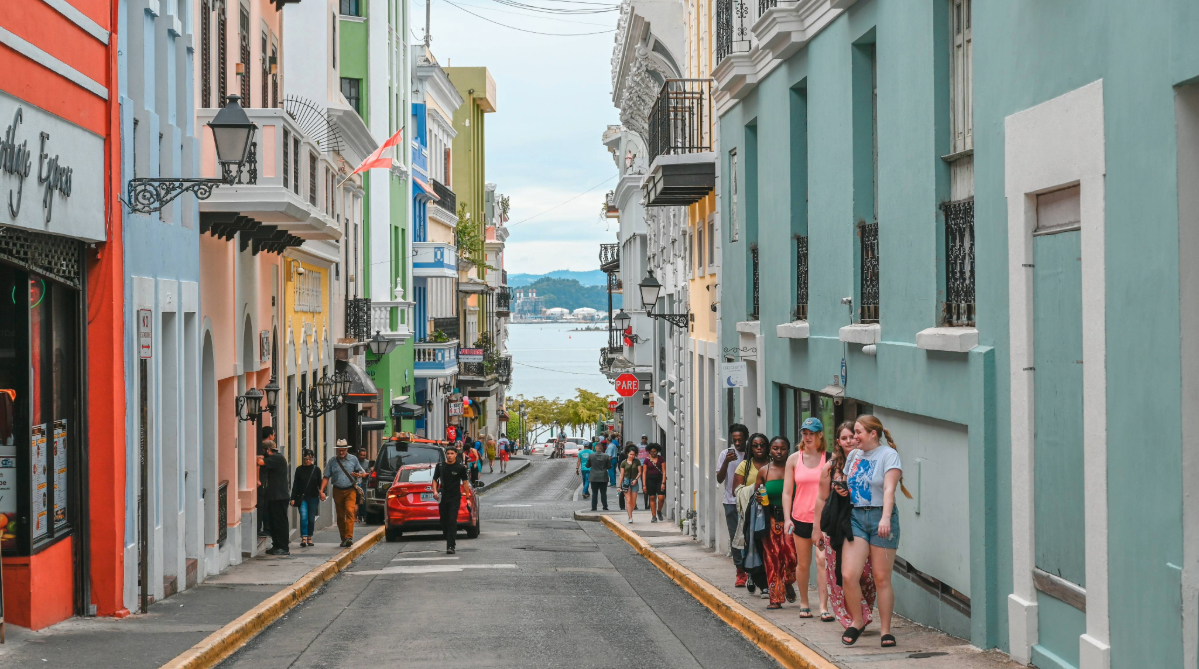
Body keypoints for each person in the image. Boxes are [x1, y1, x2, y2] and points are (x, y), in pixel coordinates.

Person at [840, 415, 910, 648]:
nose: (854, 437)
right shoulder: (853, 456)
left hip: (881, 516)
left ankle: (885, 631)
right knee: (849, 575)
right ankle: (858, 620)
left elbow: (889, 489)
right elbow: (849, 483)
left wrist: (886, 518)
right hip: (856, 518)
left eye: (858, 432)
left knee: (881, 578)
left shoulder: (888, 455)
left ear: (872, 434)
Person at [823, 422, 876, 632]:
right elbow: (821, 499)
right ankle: (852, 620)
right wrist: (818, 530)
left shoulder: (868, 460)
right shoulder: (831, 467)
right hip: (837, 527)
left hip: (861, 525)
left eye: (852, 437)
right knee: (840, 576)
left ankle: (863, 612)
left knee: (866, 575)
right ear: (838, 442)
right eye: (844, 438)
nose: (849, 441)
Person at [782, 418, 832, 621]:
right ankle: (804, 603)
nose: (808, 437)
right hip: (800, 518)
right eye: (805, 433)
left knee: (822, 562)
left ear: (820, 434)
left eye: (812, 433)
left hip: (823, 520)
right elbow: (787, 492)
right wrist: (787, 518)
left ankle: (823, 606)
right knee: (803, 564)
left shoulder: (830, 459)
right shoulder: (794, 459)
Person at [755, 436, 797, 610]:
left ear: (789, 450)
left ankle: (788, 582)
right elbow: (757, 494)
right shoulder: (764, 471)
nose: (779, 452)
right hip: (770, 520)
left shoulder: (795, 469)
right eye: (775, 448)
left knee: (792, 558)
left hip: (792, 520)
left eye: (783, 448)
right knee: (772, 559)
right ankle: (775, 597)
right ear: (770, 450)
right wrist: (758, 497)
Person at [736, 434, 772, 596]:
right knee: (753, 545)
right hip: (751, 512)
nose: (759, 448)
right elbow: (736, 490)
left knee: (768, 547)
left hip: (770, 511)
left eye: (762, 445)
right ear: (750, 448)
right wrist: (753, 491)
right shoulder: (745, 465)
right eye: (755, 445)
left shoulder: (774, 464)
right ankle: (755, 577)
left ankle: (768, 581)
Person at [717, 423, 749, 587]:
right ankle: (740, 572)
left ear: (746, 438)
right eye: (734, 440)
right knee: (735, 538)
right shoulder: (725, 454)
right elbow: (719, 479)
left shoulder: (751, 454)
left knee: (750, 537)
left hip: (750, 503)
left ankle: (752, 569)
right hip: (730, 502)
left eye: (740, 440)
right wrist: (726, 463)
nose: (737, 443)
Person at [321, 439, 368, 548]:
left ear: (346, 449)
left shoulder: (353, 459)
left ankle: (348, 537)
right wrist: (321, 490)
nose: (341, 452)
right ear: (337, 450)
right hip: (337, 490)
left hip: (350, 490)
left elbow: (362, 472)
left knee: (350, 512)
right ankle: (343, 538)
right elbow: (326, 476)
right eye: (339, 450)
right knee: (341, 516)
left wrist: (358, 475)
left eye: (343, 450)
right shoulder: (332, 461)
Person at [432, 447, 470, 554]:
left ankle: (451, 546)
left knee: (452, 520)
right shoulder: (440, 466)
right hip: (443, 497)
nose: (449, 455)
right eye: (448, 453)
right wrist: (435, 491)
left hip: (455, 497)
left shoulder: (460, 468)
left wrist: (467, 498)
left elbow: (465, 483)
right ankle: (447, 536)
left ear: (456, 454)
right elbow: (435, 480)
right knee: (444, 521)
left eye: (451, 453)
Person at [257, 441, 291, 555]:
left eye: (263, 450)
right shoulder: (274, 458)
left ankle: (283, 547)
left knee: (280, 522)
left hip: (279, 496)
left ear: (267, 450)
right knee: (273, 522)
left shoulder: (277, 458)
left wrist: (257, 457)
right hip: (273, 496)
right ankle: (276, 545)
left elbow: (260, 462)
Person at [291, 449, 322, 547]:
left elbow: (320, 484)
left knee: (311, 518)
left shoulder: (316, 470)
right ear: (303, 458)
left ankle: (310, 537)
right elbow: (295, 484)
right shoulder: (299, 469)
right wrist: (293, 498)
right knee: (304, 516)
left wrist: (322, 493)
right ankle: (304, 538)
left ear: (313, 459)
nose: (308, 460)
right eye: (306, 458)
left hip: (313, 497)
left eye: (310, 458)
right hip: (302, 497)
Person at [257, 426, 276, 538]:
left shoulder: (260, 447)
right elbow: (260, 462)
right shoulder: (266, 448)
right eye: (273, 435)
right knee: (263, 504)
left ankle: (265, 527)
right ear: (270, 436)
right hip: (263, 480)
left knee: (264, 504)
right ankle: (263, 527)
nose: (274, 437)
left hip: (264, 480)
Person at [618, 446, 644, 523]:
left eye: (633, 454)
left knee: (633, 501)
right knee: (628, 500)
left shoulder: (637, 461)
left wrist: (636, 479)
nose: (632, 456)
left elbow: (640, 472)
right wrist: (619, 486)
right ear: (627, 454)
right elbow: (622, 475)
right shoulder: (623, 463)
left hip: (634, 481)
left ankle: (630, 512)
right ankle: (630, 517)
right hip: (626, 482)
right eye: (630, 454)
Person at [643, 444, 667, 522]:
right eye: (651, 452)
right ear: (649, 451)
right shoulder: (647, 460)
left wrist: (663, 483)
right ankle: (653, 516)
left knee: (661, 497)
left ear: (657, 451)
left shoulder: (661, 459)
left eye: (655, 452)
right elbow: (644, 473)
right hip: (650, 479)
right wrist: (644, 485)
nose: (653, 453)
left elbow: (664, 471)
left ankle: (659, 511)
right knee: (652, 497)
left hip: (659, 479)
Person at [588, 443, 611, 511]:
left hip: (594, 476)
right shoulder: (606, 456)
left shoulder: (591, 456)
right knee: (603, 493)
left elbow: (587, 465)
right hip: (603, 476)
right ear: (601, 449)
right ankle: (605, 506)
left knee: (594, 493)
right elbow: (609, 466)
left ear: (596, 448)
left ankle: (594, 507)